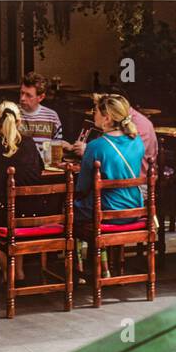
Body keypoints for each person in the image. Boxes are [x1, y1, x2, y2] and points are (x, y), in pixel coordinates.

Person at [0, 99, 51, 280]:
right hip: (34, 212)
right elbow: (40, 169)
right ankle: (19, 271)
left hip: (4, 212)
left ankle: (9, 273)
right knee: (17, 213)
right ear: (19, 121)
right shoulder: (29, 143)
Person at [71, 93, 146, 239]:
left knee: (68, 209)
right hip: (134, 208)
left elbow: (82, 186)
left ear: (107, 118)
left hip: (107, 211)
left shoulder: (95, 147)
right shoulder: (137, 141)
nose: (94, 115)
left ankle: (80, 257)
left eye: (96, 112)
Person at [17, 73, 63, 140]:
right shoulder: (11, 114)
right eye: (22, 93)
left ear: (41, 97)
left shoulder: (52, 117)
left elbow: (57, 146)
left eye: (28, 95)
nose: (22, 98)